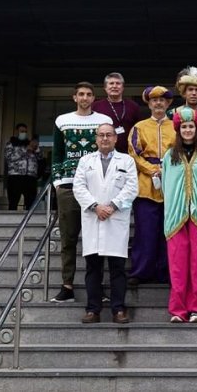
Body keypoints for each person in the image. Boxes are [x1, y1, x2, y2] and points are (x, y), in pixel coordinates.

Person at [50, 82, 113, 303]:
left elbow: (110, 151)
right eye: (81, 94)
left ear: (93, 98)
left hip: (97, 185)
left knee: (98, 238)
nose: (85, 98)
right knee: (68, 237)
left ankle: (98, 287)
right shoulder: (62, 120)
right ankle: (67, 285)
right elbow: (57, 153)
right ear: (74, 97)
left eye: (88, 94)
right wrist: (57, 181)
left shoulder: (104, 121)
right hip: (68, 185)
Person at [72, 123, 138, 325]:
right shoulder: (85, 161)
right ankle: (93, 310)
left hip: (115, 218)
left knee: (117, 268)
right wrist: (95, 206)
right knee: (93, 268)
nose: (105, 139)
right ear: (96, 138)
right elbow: (78, 187)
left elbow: (132, 188)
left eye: (109, 135)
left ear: (115, 138)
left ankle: (118, 309)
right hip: (94, 218)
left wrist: (112, 206)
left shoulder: (126, 161)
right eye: (101, 135)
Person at [161, 107, 197, 323]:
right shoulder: (169, 155)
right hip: (175, 215)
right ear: (178, 129)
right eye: (184, 127)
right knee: (177, 262)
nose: (188, 130)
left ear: (196, 128)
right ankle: (178, 309)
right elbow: (166, 185)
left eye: (191, 126)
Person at [127, 86, 176, 285]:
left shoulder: (176, 126)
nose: (158, 103)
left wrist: (167, 170)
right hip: (146, 185)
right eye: (154, 100)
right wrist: (152, 169)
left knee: (169, 231)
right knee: (145, 231)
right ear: (148, 103)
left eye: (162, 100)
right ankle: (141, 271)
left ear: (168, 104)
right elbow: (133, 153)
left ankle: (166, 271)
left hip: (172, 183)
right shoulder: (139, 127)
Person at [93, 72, 141, 154]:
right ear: (105, 87)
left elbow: (139, 130)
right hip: (103, 152)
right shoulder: (96, 106)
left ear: (122, 88)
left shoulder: (133, 106)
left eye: (118, 83)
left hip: (129, 153)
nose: (114, 86)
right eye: (111, 83)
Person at [4, 123, 42, 210]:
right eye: (22, 131)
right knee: (13, 201)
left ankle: (29, 221)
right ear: (16, 131)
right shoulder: (11, 144)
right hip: (15, 176)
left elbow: (40, 158)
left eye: (25, 131)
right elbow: (9, 158)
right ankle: (12, 221)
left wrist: (37, 149)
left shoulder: (30, 143)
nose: (24, 133)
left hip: (30, 177)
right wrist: (26, 150)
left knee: (30, 202)